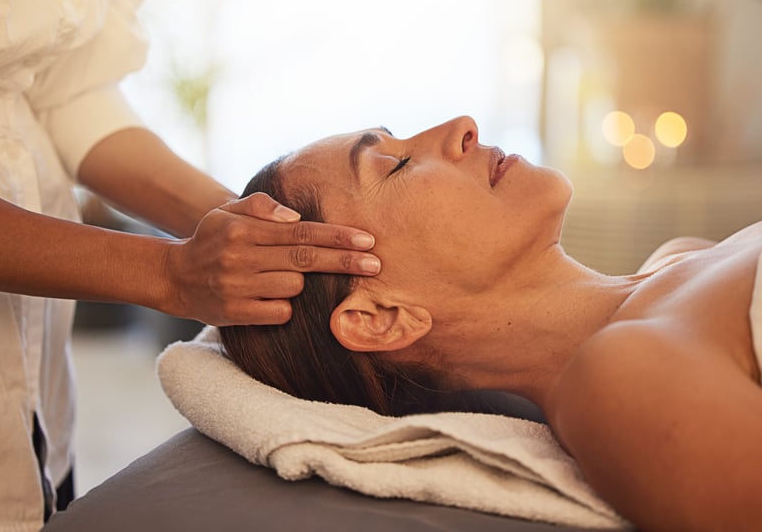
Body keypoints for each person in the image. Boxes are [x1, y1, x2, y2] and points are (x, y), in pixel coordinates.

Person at [220, 115, 762, 531]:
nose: (462, 126)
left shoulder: (678, 258)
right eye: (396, 166)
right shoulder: (619, 382)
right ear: (381, 318)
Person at [0, 0, 380, 529]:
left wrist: (256, 228)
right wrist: (167, 273)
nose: (462, 131)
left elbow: (65, 92)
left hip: (37, 406)